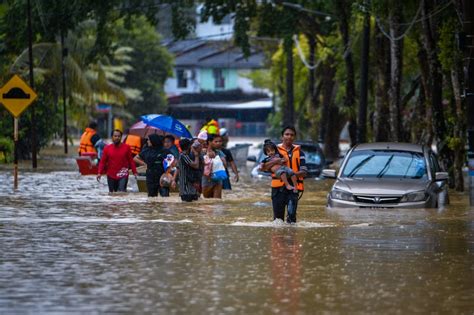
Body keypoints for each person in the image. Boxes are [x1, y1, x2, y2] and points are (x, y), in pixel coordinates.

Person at [260, 126, 307, 223]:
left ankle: (291, 237)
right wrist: (275, 161)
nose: (289, 137)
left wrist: (287, 174)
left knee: (292, 219)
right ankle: (279, 237)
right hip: (278, 190)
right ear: (282, 136)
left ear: (294, 137)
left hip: (294, 189)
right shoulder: (273, 150)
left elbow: (304, 172)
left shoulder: (300, 153)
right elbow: (264, 168)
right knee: (278, 220)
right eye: (287, 134)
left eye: (292, 135)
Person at [202, 134, 227, 199]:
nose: (219, 143)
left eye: (220, 141)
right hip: (206, 179)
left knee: (216, 201)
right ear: (209, 142)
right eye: (216, 141)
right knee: (207, 202)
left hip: (217, 178)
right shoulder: (202, 152)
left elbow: (225, 164)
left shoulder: (219, 152)